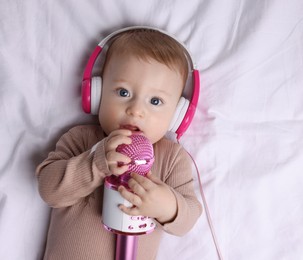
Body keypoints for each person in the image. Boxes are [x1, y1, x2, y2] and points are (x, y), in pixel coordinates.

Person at [36, 28, 202, 260]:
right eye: (123, 92)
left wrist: (168, 206)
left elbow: (190, 216)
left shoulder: (171, 157)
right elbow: (49, 189)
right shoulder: (81, 140)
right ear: (96, 95)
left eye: (155, 101)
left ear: (177, 116)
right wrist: (95, 163)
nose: (136, 110)